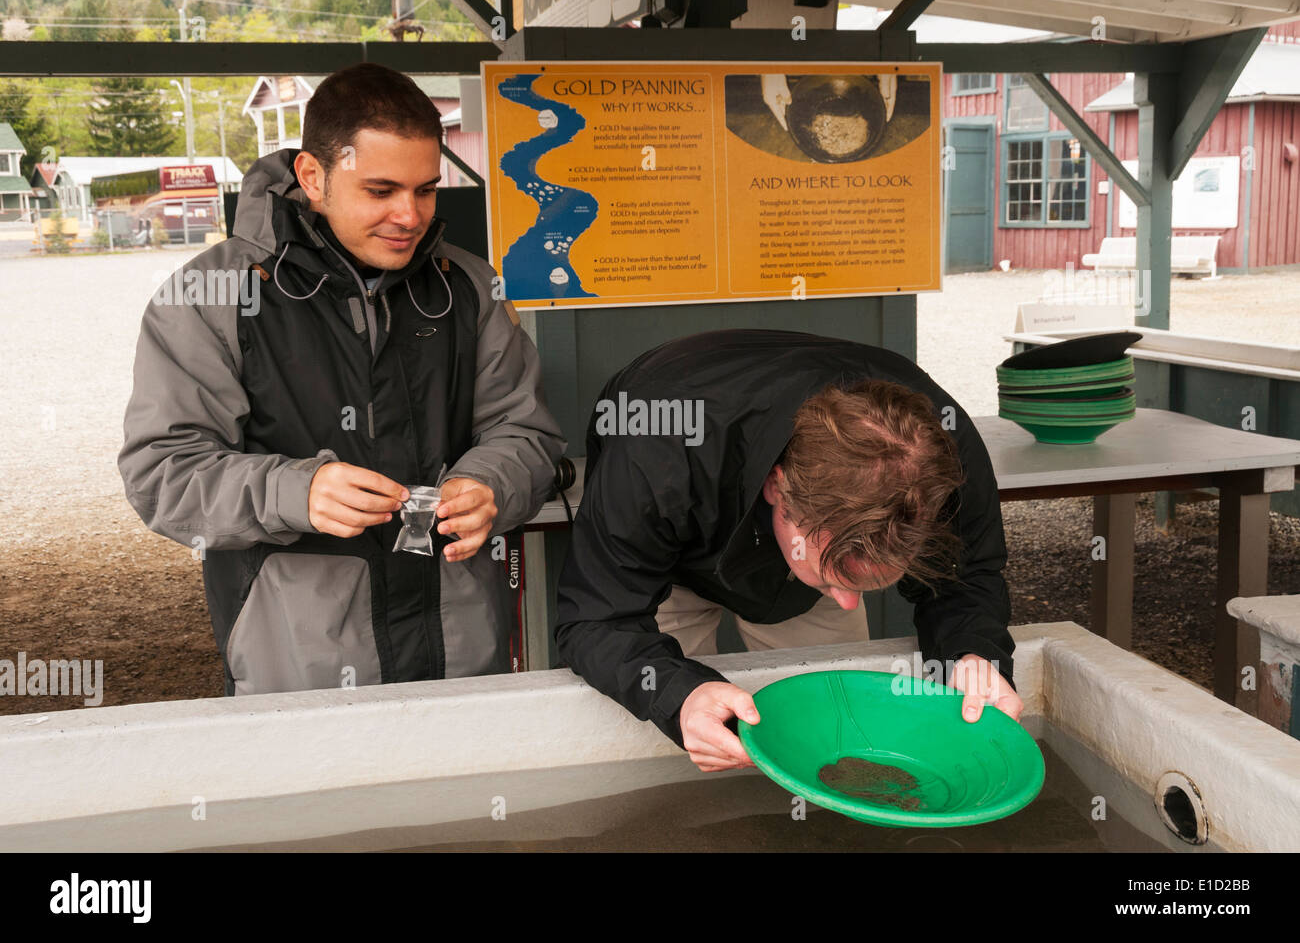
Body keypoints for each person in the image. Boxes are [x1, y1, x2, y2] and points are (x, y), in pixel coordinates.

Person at [119, 63, 565, 695]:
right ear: (313, 177)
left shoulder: (469, 286)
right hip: (298, 670)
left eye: (426, 190)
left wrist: (493, 483)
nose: (409, 216)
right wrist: (294, 492)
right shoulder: (209, 295)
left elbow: (525, 433)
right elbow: (160, 473)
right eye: (380, 191)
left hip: (464, 654)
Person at [555, 329, 1020, 773]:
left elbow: (968, 574)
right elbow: (597, 617)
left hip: (764, 507)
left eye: (866, 582)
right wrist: (680, 697)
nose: (848, 603)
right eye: (832, 577)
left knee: (840, 738)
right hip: (674, 551)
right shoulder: (655, 450)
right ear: (777, 487)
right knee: (690, 734)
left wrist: (973, 653)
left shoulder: (943, 460)